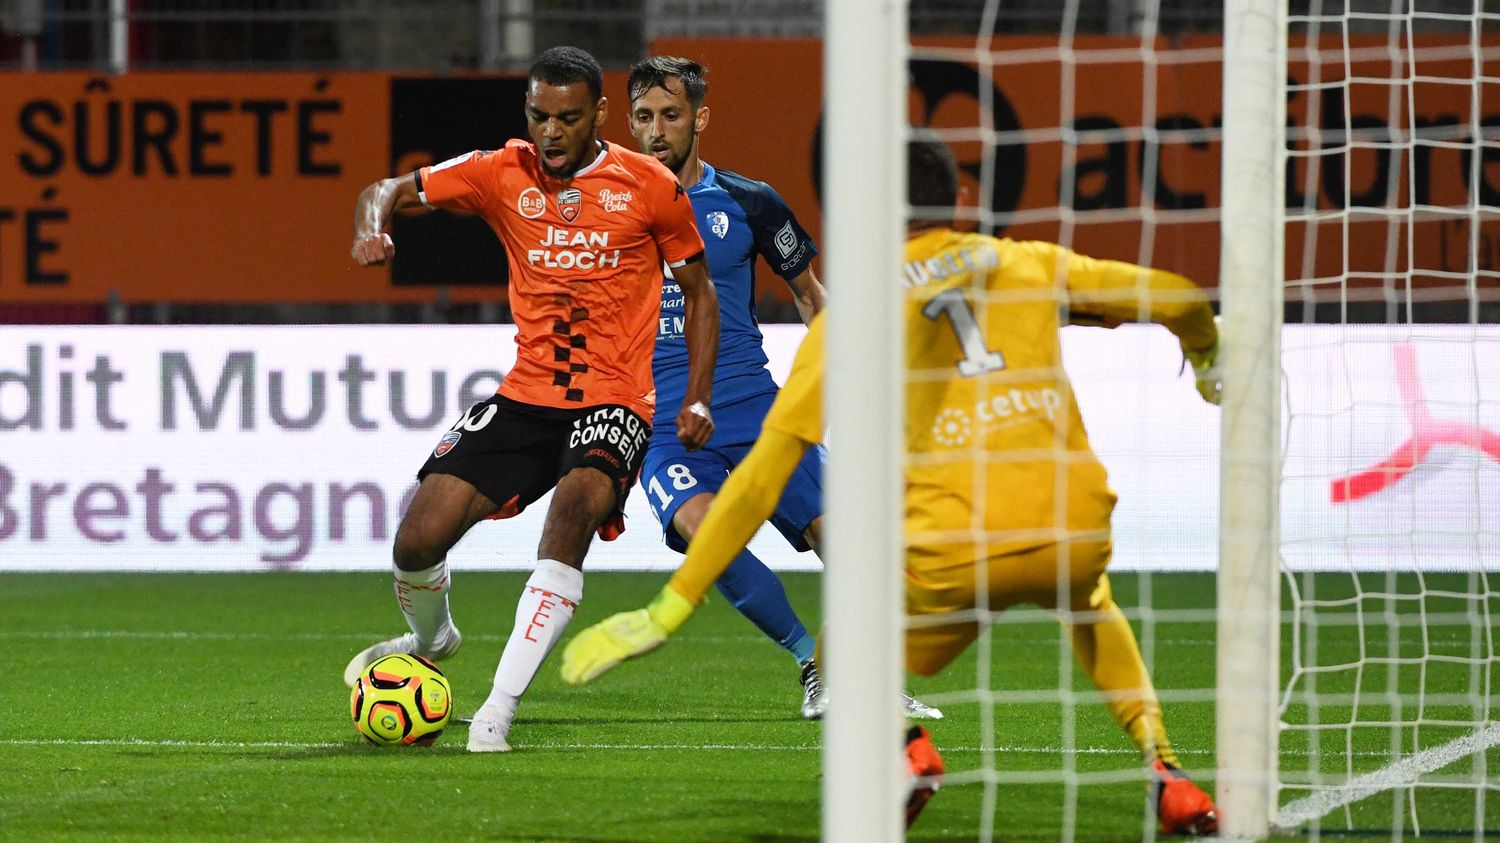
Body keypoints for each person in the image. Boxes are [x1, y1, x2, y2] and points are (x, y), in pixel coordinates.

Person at [559, 137, 1223, 835]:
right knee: (1090, 603)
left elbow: (761, 478)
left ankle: (902, 747)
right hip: (1071, 526)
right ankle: (1168, 770)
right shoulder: (1023, 259)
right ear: (958, 199)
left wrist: (670, 607)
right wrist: (1206, 351)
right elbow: (1173, 296)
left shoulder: (857, 316)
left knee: (845, 638)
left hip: (950, 555)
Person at [342, 45, 720, 754]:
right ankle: (433, 637)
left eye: (568, 118)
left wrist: (696, 396)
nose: (551, 131)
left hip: (614, 396)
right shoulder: (499, 171)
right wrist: (373, 224)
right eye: (539, 115)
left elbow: (701, 294)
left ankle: (498, 708)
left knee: (574, 506)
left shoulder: (648, 185)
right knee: (416, 537)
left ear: (599, 114)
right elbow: (385, 187)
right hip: (526, 396)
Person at [624, 56, 940, 721]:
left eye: (671, 115)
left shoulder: (751, 201)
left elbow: (810, 296)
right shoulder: (610, 212)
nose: (657, 131)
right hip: (662, 424)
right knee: (710, 538)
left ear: (700, 118)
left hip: (759, 409)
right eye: (644, 117)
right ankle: (813, 662)